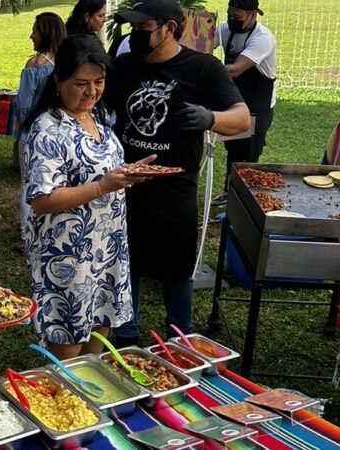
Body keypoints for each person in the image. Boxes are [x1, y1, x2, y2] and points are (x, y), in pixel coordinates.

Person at [106, 0, 249, 346]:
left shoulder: (202, 68)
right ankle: (126, 338)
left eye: (143, 27)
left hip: (175, 192)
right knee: (128, 267)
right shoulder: (124, 66)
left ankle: (180, 341)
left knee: (177, 271)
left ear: (169, 28)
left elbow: (242, 117)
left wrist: (210, 118)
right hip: (125, 188)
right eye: (133, 28)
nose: (135, 34)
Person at [23, 35, 150, 360]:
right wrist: (102, 186)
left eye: (99, 81)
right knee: (68, 357)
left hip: (105, 248)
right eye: (80, 83)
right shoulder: (47, 130)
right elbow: (42, 199)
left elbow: (99, 169)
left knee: (97, 353)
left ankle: (95, 406)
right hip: (70, 258)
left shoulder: (98, 117)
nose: (91, 91)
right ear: (58, 81)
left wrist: (126, 173)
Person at [213, 0, 277, 206]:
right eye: (230, 14)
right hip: (235, 98)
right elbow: (202, 44)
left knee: (248, 152)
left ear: (252, 15)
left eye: (237, 17)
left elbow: (236, 69)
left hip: (258, 101)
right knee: (233, 147)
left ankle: (243, 198)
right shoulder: (225, 30)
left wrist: (203, 69)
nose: (232, 19)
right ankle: (228, 192)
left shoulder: (263, 38)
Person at [11, 12, 66, 252]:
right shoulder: (66, 63)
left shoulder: (35, 65)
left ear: (45, 33)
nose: (31, 35)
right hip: (58, 132)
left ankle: (27, 236)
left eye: (35, 30)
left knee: (28, 185)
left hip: (31, 133)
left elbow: (22, 104)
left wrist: (22, 122)